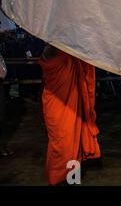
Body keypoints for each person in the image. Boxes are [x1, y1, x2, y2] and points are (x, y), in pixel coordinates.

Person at [39, 45, 101, 185]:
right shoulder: (52, 49)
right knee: (62, 147)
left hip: (72, 105)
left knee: (75, 145)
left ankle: (72, 179)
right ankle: (57, 180)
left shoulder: (71, 50)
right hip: (57, 106)